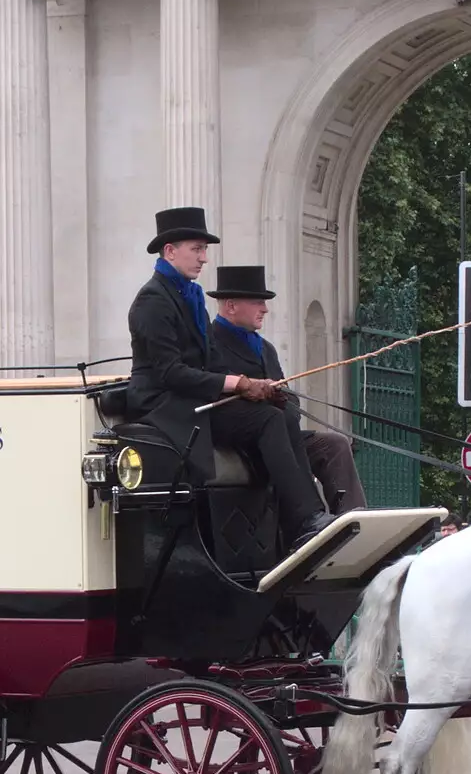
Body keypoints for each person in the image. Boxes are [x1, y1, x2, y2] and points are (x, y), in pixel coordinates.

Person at [124, 208, 335, 550]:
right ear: (170, 251)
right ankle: (303, 520)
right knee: (267, 420)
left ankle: (309, 517)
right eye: (197, 249)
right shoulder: (151, 301)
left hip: (195, 397)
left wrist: (257, 386)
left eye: (204, 250)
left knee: (280, 411)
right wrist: (236, 385)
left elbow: (212, 359)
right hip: (163, 404)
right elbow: (169, 373)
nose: (204, 258)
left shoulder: (189, 296)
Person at [205, 264, 368, 515]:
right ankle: (309, 518)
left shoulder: (266, 348)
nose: (265, 309)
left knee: (334, 445)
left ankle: (352, 519)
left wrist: (280, 398)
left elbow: (292, 404)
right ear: (231, 305)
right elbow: (214, 394)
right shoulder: (211, 344)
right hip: (247, 439)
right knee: (276, 429)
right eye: (258, 302)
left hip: (283, 433)